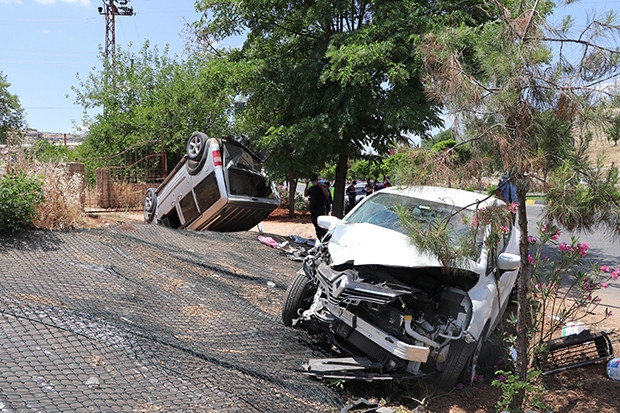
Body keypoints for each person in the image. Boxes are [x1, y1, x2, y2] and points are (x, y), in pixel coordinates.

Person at [305, 174, 331, 239]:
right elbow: (305, 194)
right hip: (313, 209)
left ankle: (324, 236)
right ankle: (319, 237)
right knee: (315, 223)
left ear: (317, 180)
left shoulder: (322, 187)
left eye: (314, 181)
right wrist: (306, 185)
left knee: (321, 224)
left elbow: (327, 195)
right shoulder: (311, 188)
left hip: (320, 209)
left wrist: (322, 187)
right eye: (312, 181)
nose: (313, 182)